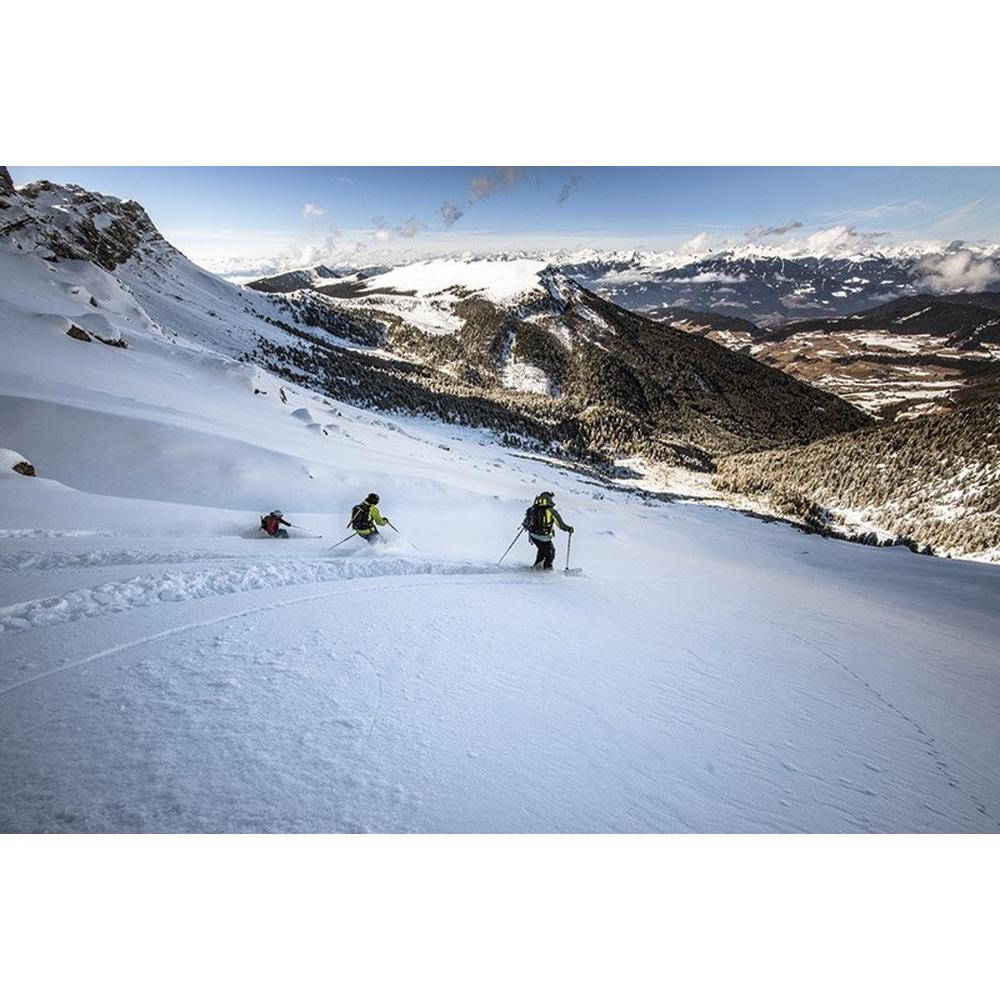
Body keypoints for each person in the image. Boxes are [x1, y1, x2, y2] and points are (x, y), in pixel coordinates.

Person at [522, 491, 573, 570]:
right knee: (550, 554)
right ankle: (547, 571)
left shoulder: (534, 509)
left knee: (543, 551)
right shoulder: (551, 511)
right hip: (544, 536)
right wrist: (568, 529)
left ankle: (537, 566)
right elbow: (560, 525)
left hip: (533, 535)